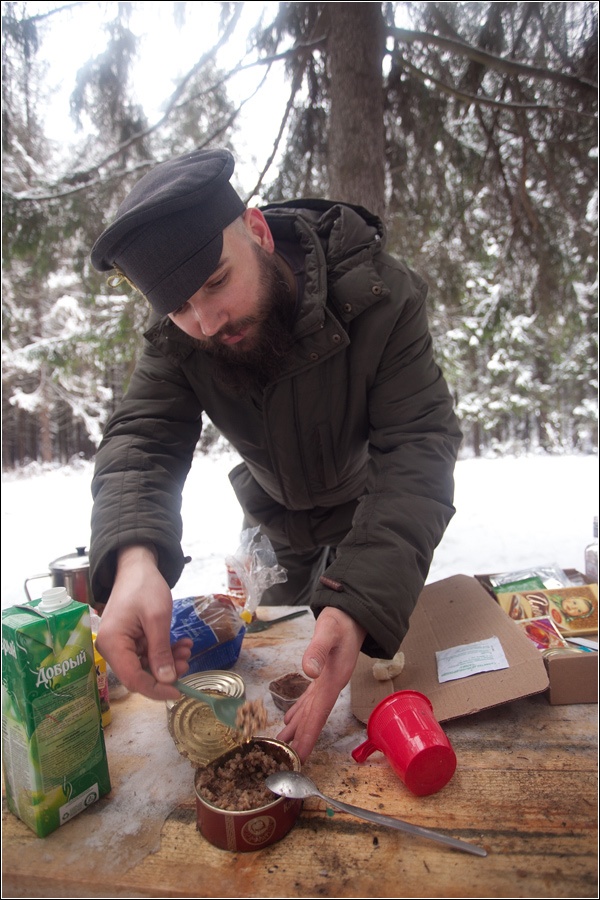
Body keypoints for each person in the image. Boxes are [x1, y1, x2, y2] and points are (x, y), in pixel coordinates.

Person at [89, 148, 462, 761]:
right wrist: (134, 558)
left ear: (257, 230)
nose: (206, 323)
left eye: (215, 283)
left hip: (369, 511)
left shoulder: (378, 296)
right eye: (180, 306)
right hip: (274, 517)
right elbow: (142, 438)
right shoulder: (179, 340)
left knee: (362, 657)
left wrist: (361, 601)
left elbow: (418, 446)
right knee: (277, 654)